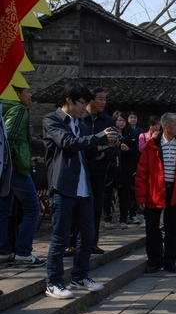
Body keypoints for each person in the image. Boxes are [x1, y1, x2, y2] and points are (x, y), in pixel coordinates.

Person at [43, 82, 118, 299]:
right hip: (63, 186)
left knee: (87, 236)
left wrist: (109, 144)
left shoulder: (82, 125)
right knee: (61, 237)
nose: (84, 108)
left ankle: (79, 275)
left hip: (84, 187)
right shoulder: (52, 120)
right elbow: (67, 143)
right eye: (81, 103)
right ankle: (53, 282)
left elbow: (88, 150)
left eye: (86, 104)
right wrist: (98, 138)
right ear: (69, 100)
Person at [135, 112, 176, 274]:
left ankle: (170, 261)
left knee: (172, 228)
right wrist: (141, 196)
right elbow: (142, 173)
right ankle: (154, 261)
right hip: (154, 192)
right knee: (152, 228)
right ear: (166, 126)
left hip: (175, 192)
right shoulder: (151, 145)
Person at [0, 86, 45, 267]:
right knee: (33, 208)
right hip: (16, 167)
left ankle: (3, 250)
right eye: (27, 92)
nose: (31, 95)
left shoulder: (5, 107)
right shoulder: (18, 109)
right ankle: (24, 251)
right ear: (17, 94)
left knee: (4, 211)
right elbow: (8, 138)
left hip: (6, 169)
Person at [74, 86, 115, 256]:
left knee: (96, 207)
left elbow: (115, 146)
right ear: (90, 100)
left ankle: (92, 242)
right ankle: (74, 241)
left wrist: (105, 152)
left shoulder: (108, 121)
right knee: (77, 207)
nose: (104, 102)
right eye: (100, 99)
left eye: (105, 99)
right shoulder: (79, 119)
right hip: (80, 170)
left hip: (99, 170)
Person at [103, 111, 136, 227]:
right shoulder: (109, 134)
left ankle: (123, 219)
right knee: (107, 193)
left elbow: (134, 152)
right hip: (111, 167)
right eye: (119, 120)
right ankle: (107, 219)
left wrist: (127, 149)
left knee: (124, 194)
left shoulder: (128, 135)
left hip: (124, 168)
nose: (121, 123)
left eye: (123, 120)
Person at [126, 111, 143, 225]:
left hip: (137, 160)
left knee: (135, 189)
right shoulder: (125, 131)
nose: (133, 120)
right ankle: (127, 213)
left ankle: (134, 212)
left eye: (134, 117)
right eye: (131, 117)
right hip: (126, 162)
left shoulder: (140, 132)